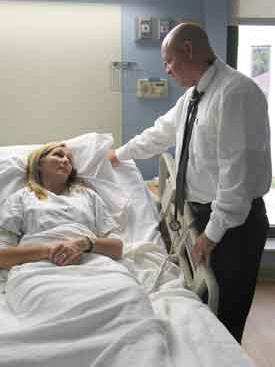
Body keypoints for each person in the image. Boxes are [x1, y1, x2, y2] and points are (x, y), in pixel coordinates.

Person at [108, 22, 271, 343]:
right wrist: (118, 154)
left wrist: (210, 235)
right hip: (203, 215)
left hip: (233, 225)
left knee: (226, 314)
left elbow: (235, 178)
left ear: (189, 50)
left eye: (169, 61)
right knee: (202, 314)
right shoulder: (194, 96)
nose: (167, 70)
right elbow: (160, 133)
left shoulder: (235, 93)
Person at [0, 142, 123, 269]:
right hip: (38, 268)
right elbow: (2, 256)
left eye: (69, 159)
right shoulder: (20, 198)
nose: (65, 160)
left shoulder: (88, 196)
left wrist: (83, 243)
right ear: (39, 164)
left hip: (94, 265)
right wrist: (52, 250)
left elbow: (117, 248)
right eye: (58, 155)